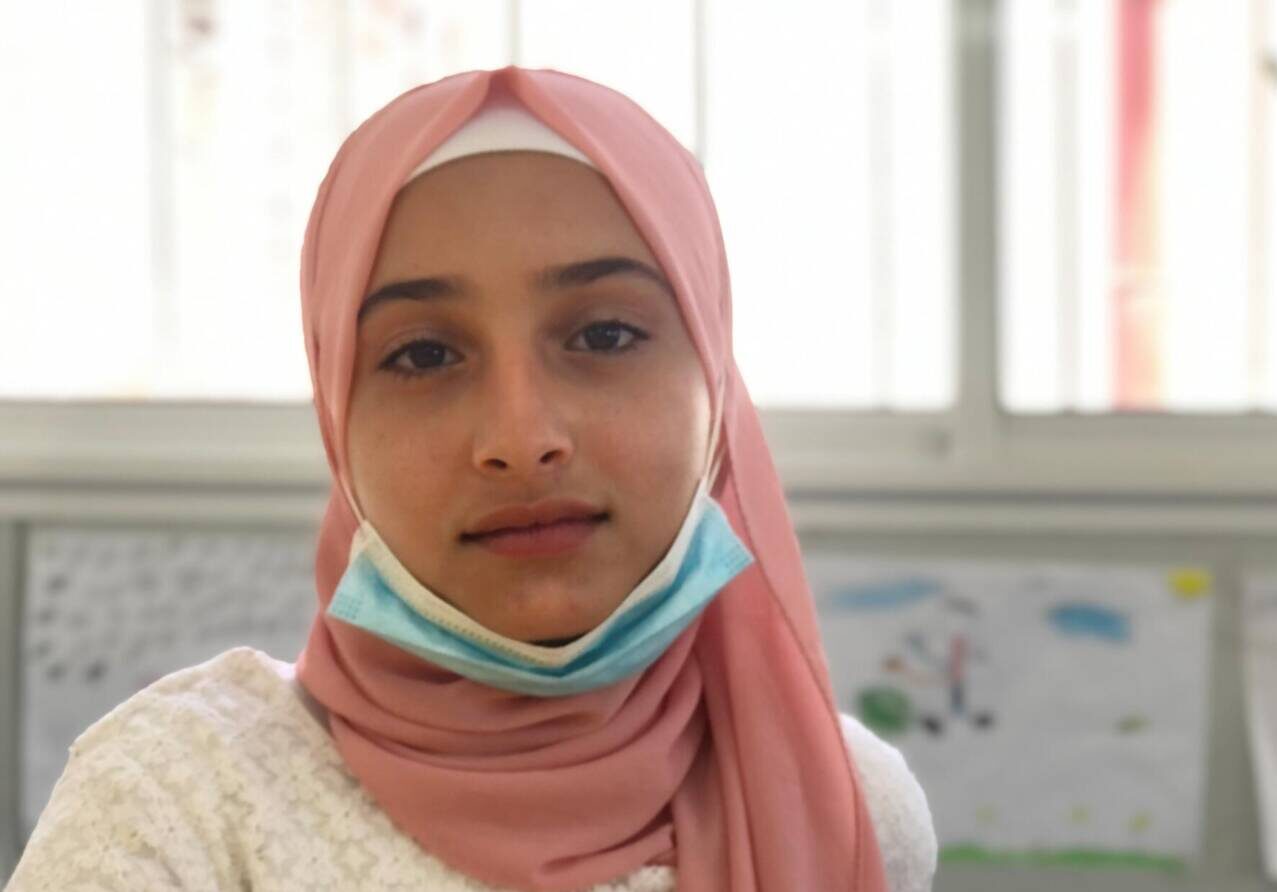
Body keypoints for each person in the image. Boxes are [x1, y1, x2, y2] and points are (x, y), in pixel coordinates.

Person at [5, 65, 937, 892]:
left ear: (715, 385)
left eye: (604, 334)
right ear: (337, 418)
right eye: (422, 355)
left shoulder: (850, 805)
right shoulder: (172, 805)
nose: (521, 440)